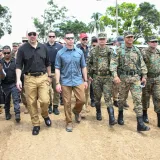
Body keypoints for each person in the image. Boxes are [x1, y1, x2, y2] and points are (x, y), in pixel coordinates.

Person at [110, 31, 150, 131]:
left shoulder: (137, 50)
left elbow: (142, 64)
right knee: (122, 99)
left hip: (135, 78)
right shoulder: (119, 50)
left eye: (132, 37)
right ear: (124, 38)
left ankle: (140, 123)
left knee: (137, 100)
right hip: (123, 79)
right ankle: (120, 115)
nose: (130, 39)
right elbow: (113, 64)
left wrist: (144, 76)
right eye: (128, 37)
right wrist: (115, 76)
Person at [16, 29, 52, 135]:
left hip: (42, 77)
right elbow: (18, 66)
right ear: (27, 35)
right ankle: (36, 124)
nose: (32, 36)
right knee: (31, 103)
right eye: (30, 34)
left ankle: (45, 115)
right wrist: (18, 79)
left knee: (45, 100)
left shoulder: (44, 47)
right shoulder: (22, 49)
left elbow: (48, 63)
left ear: (37, 35)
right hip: (29, 78)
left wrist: (49, 76)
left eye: (34, 34)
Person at [55, 31, 88, 132]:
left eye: (72, 38)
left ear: (74, 39)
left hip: (78, 80)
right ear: (65, 40)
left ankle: (76, 111)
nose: (70, 40)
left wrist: (85, 80)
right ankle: (69, 122)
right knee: (67, 102)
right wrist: (57, 83)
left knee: (82, 100)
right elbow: (57, 68)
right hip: (66, 81)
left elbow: (83, 66)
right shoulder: (60, 53)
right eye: (68, 38)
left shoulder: (79, 52)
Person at [87, 33, 117, 125]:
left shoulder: (110, 51)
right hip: (96, 77)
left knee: (108, 97)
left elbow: (113, 64)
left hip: (107, 77)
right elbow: (89, 63)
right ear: (98, 40)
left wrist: (114, 75)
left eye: (104, 39)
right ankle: (98, 112)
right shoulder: (93, 51)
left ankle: (111, 118)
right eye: (100, 39)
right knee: (97, 97)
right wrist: (89, 75)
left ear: (106, 40)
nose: (102, 41)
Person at [141, 36, 160, 126]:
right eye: (152, 42)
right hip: (147, 78)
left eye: (155, 41)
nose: (154, 43)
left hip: (157, 78)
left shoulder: (158, 52)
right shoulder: (144, 52)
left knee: (158, 97)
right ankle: (144, 114)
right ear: (148, 42)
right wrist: (142, 77)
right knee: (145, 97)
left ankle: (159, 117)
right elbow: (141, 65)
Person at [77, 33, 95, 117]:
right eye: (83, 39)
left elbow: (92, 63)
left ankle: (86, 105)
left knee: (87, 91)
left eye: (86, 39)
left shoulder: (90, 49)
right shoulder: (76, 48)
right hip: (79, 73)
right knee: (81, 92)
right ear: (80, 39)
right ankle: (82, 109)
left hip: (88, 73)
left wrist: (91, 74)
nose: (85, 41)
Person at [0, 46, 21, 122]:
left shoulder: (15, 61)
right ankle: (7, 113)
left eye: (8, 53)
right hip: (4, 84)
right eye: (4, 53)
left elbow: (18, 72)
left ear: (10, 53)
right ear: (2, 53)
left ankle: (17, 114)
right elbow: (1, 76)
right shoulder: (0, 62)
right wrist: (1, 70)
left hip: (13, 83)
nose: (6, 54)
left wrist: (18, 82)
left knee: (16, 99)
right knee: (7, 100)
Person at [45, 31, 63, 115]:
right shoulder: (44, 46)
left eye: (53, 36)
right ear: (48, 37)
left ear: (55, 37)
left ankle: (55, 107)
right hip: (46, 73)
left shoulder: (59, 46)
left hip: (57, 72)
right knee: (47, 91)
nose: (51, 38)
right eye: (50, 36)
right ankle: (49, 106)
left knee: (57, 91)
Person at [112, 36, 130, 108]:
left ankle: (124, 100)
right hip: (116, 70)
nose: (121, 44)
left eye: (122, 43)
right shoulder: (114, 50)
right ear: (116, 42)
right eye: (120, 43)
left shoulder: (125, 49)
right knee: (116, 87)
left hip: (124, 71)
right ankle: (115, 100)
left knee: (125, 87)